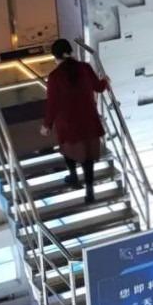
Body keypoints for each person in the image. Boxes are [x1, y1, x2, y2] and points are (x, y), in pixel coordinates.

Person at [41, 39, 108, 204]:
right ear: (71, 52)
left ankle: (73, 176)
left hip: (68, 123)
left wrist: (47, 125)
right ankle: (90, 192)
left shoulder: (54, 77)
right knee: (88, 158)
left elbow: (52, 104)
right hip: (88, 120)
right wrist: (105, 81)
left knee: (67, 149)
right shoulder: (85, 68)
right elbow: (99, 87)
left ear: (55, 57)